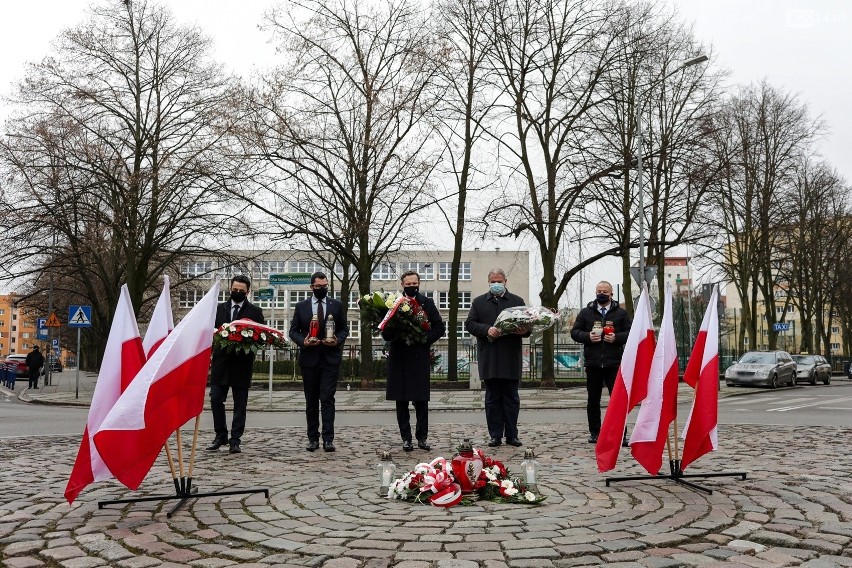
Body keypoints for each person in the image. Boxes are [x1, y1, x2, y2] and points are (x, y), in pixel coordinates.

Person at [465, 268, 530, 448]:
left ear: (505, 281)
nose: (496, 284)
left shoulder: (517, 301)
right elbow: (470, 323)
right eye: (493, 281)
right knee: (492, 399)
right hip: (490, 357)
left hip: (510, 357)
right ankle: (495, 435)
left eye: (499, 281)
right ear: (488, 282)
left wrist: (525, 330)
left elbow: (527, 325)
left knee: (511, 398)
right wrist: (486, 329)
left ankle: (512, 435)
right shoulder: (479, 302)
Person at [383, 271, 445, 452]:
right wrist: (396, 331)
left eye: (414, 283)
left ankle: (422, 437)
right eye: (408, 283)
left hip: (419, 357)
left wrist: (425, 339)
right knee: (401, 401)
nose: (411, 286)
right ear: (402, 284)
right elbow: (385, 331)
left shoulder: (427, 303)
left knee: (421, 400)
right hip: (399, 357)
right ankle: (406, 439)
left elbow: (439, 327)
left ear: (419, 283)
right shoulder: (394, 303)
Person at [289, 271, 349, 452]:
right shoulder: (301, 306)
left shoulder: (336, 305)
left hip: (330, 359)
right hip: (309, 359)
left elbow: (344, 329)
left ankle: (328, 439)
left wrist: (337, 340)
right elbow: (293, 331)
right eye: (318, 287)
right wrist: (303, 341)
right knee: (311, 401)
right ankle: (312, 438)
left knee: (328, 399)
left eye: (325, 286)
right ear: (311, 287)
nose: (321, 289)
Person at [206, 275, 265, 454]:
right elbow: (208, 333)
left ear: (247, 292)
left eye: (241, 290)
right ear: (230, 289)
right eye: (234, 289)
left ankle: (235, 439)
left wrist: (248, 341)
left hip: (242, 364)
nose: (237, 292)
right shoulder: (217, 309)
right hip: (220, 363)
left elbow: (261, 338)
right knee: (216, 399)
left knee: (240, 404)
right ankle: (220, 435)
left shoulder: (255, 312)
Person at [570, 280, 632, 445]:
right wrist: (588, 337)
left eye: (605, 291)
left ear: (611, 294)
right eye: (599, 290)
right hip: (593, 362)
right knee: (593, 400)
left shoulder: (621, 313)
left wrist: (617, 338)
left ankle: (620, 434)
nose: (601, 293)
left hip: (614, 363)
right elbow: (575, 332)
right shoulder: (586, 313)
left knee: (617, 401)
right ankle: (595, 433)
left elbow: (631, 332)